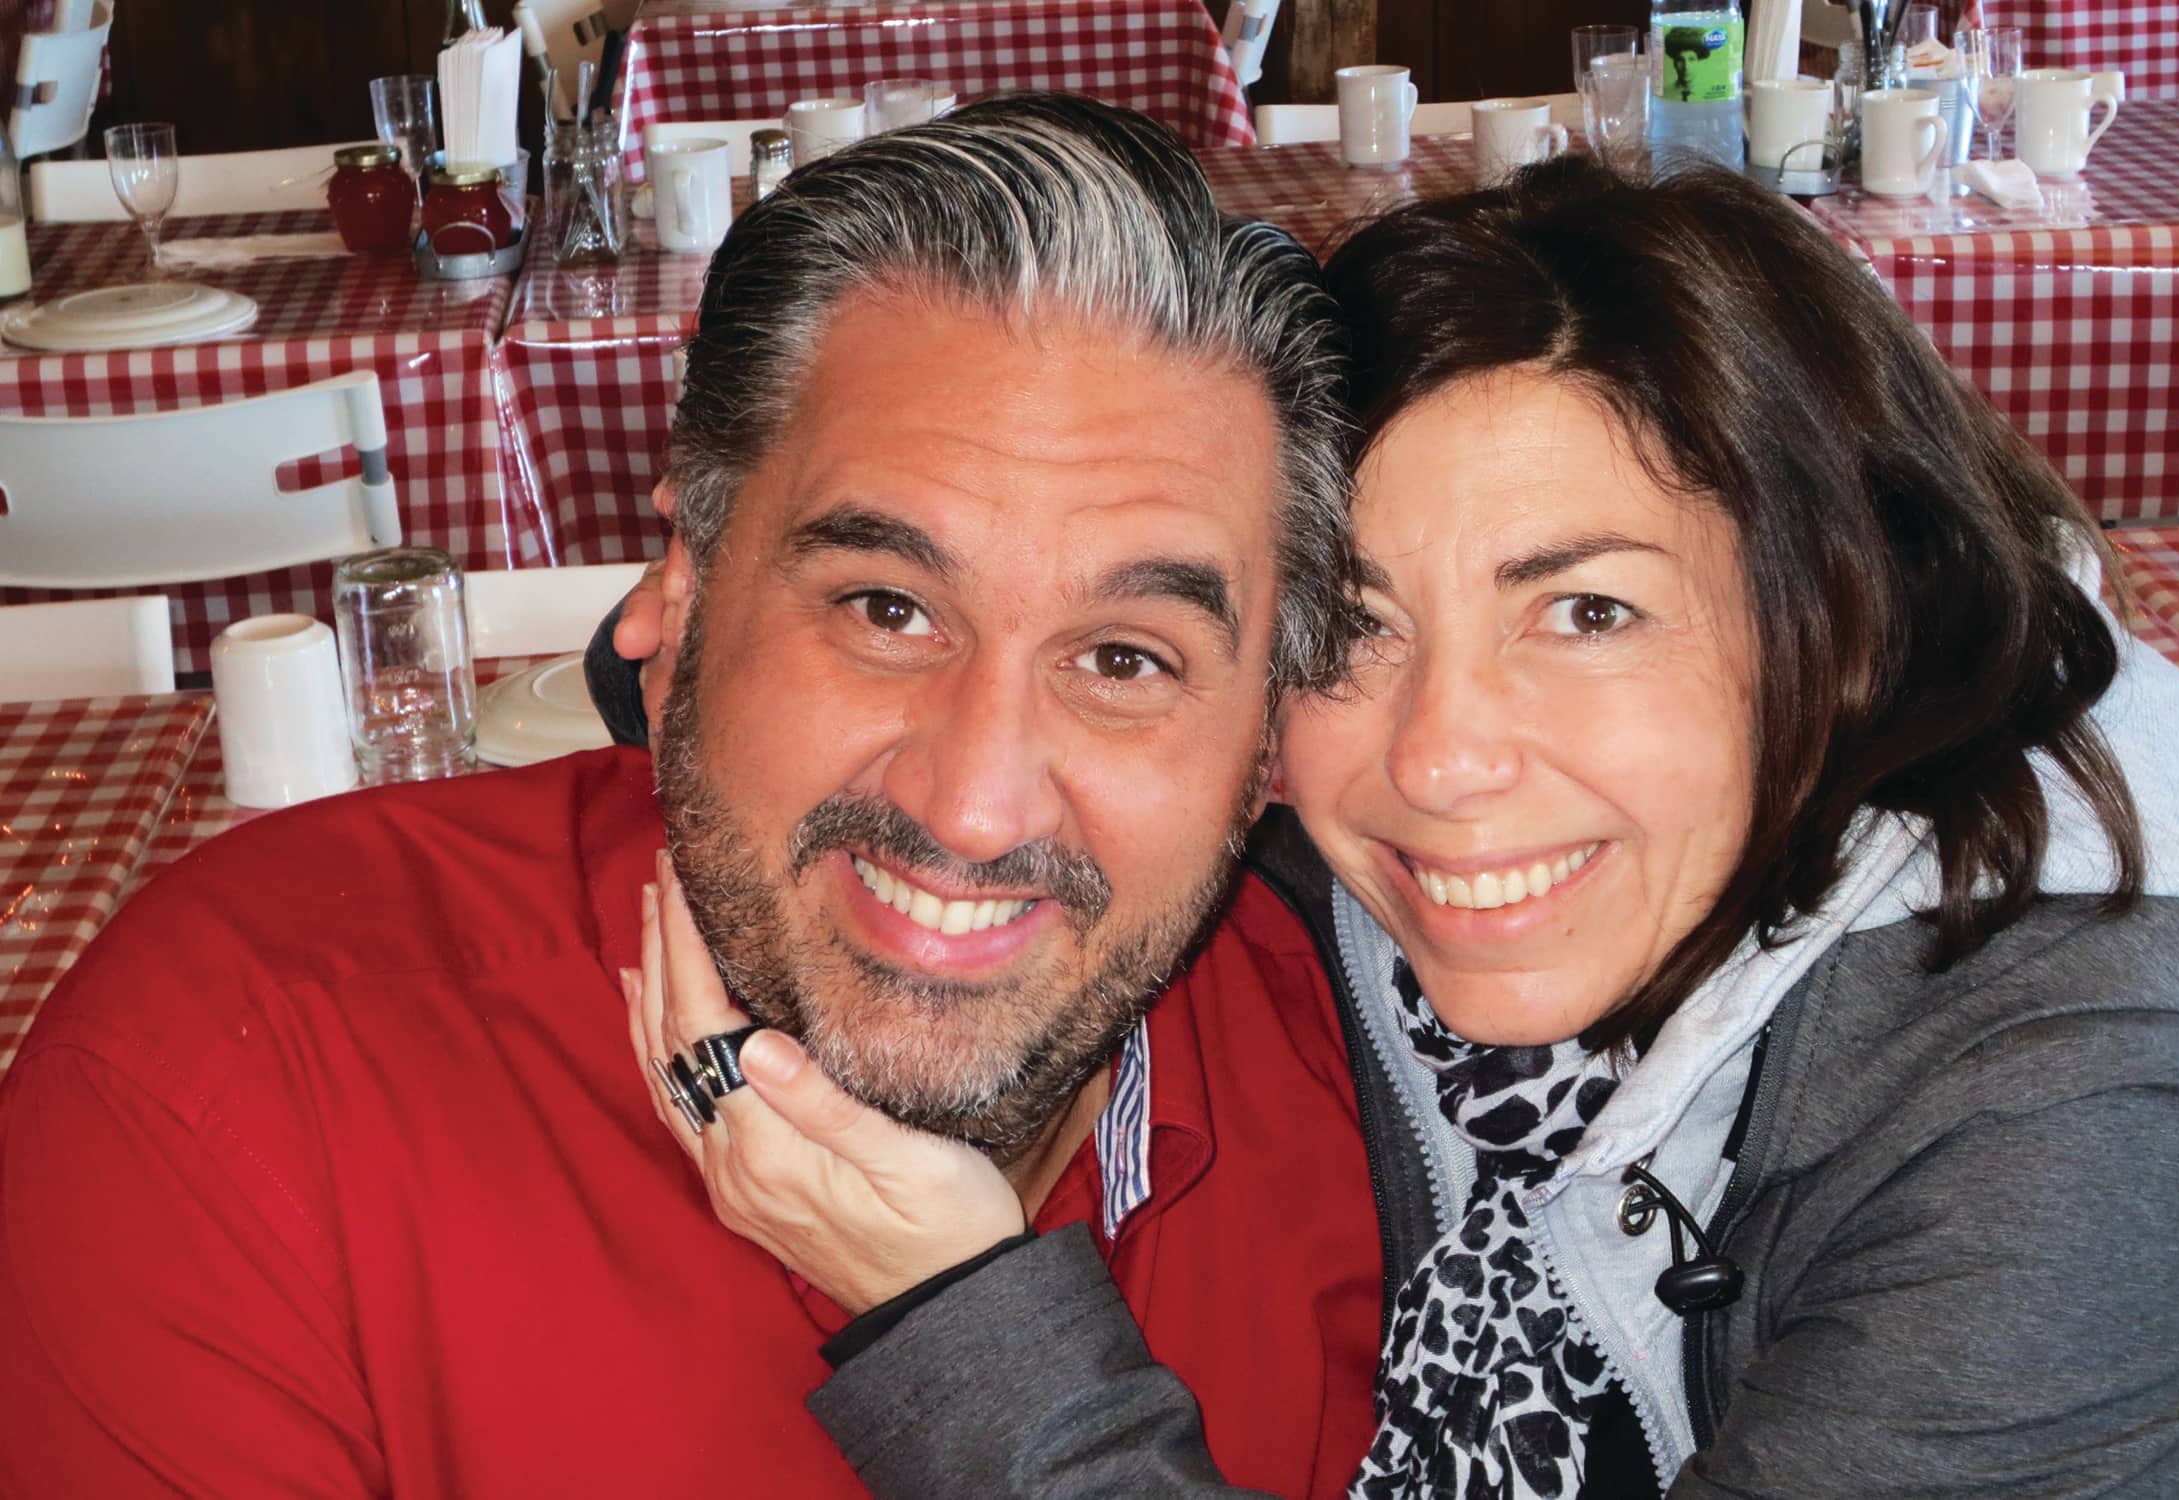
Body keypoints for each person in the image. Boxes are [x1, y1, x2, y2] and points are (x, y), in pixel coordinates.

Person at [620, 158, 2179, 1497]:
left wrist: (961, 1321)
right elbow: (1031, 701)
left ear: (1838, 621)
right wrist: (709, 642)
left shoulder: (2098, 1135)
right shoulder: (1434, 866)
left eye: (1586, 614)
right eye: (1357, 634)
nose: (1443, 760)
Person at [0, 97, 1391, 1498]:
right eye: (886, 608)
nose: (974, 808)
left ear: (1266, 745)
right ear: (680, 599)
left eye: (1124, 660)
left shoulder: (1399, 1109)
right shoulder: (225, 1102)